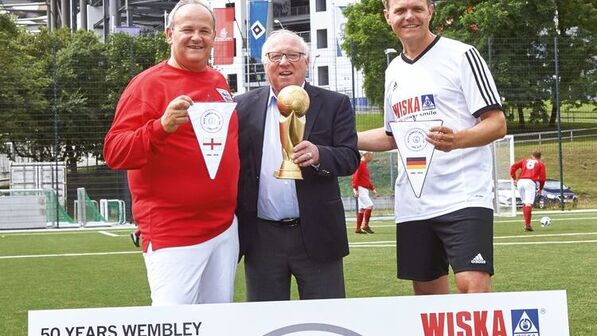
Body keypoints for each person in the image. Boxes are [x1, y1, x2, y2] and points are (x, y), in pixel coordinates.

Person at [358, 0, 507, 295]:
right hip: (414, 202)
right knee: (428, 301)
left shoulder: (462, 55)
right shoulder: (393, 71)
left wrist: (458, 140)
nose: (408, 16)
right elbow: (392, 136)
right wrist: (343, 137)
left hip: (463, 196)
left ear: (431, 11)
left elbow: (497, 123)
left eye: (417, 8)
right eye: (400, 11)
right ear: (387, 16)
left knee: (473, 289)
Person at [103, 0, 239, 305]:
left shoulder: (218, 81)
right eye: (187, 29)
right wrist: (161, 126)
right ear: (169, 34)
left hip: (224, 228)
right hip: (173, 232)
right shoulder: (147, 85)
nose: (196, 37)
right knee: (173, 323)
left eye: (204, 30)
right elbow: (114, 152)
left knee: (218, 324)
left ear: (214, 36)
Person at [235, 30, 360, 301]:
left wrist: (319, 155)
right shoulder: (241, 107)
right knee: (265, 322)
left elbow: (350, 157)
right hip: (261, 236)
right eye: (275, 56)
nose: (284, 62)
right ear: (264, 62)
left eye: (293, 55)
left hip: (316, 232)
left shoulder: (335, 103)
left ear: (307, 62)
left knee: (326, 321)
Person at [510, 151, 546, 232]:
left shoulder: (524, 161)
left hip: (520, 181)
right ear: (540, 157)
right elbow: (542, 179)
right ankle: (528, 225)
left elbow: (513, 167)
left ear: (531, 156)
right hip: (530, 182)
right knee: (528, 203)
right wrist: (540, 189)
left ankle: (526, 224)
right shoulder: (540, 164)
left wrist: (514, 178)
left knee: (524, 203)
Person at [351, 151, 378, 234]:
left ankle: (358, 229)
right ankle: (365, 225)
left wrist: (373, 189)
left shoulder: (364, 165)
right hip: (361, 189)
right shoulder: (360, 164)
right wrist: (355, 189)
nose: (372, 158)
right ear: (366, 155)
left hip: (364, 189)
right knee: (369, 205)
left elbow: (366, 180)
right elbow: (355, 177)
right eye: (371, 156)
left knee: (362, 209)